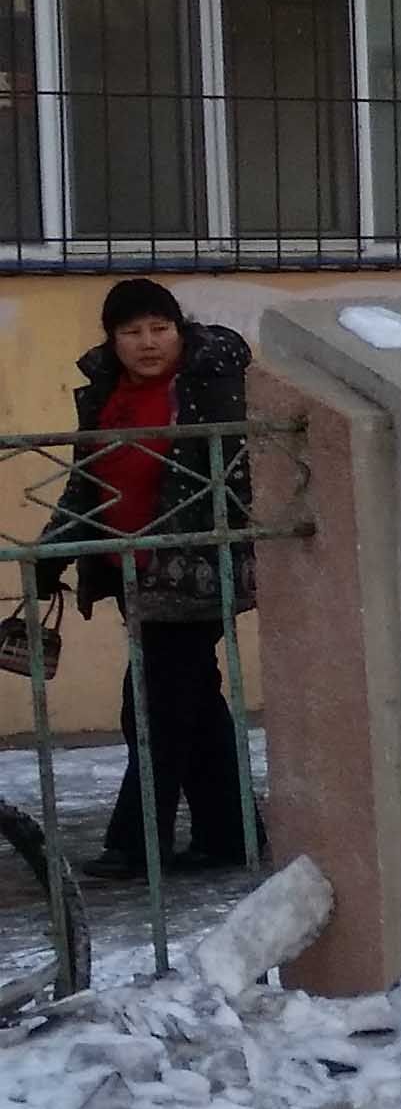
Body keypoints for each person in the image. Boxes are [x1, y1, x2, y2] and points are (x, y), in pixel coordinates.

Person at [24, 279, 259, 878]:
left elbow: (242, 472)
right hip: (132, 570)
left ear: (179, 330)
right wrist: (52, 554)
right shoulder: (109, 394)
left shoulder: (210, 387)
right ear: (113, 339)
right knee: (193, 703)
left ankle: (136, 843)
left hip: (195, 570)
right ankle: (232, 835)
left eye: (160, 328)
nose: (148, 342)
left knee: (151, 707)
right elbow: (86, 482)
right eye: (132, 332)